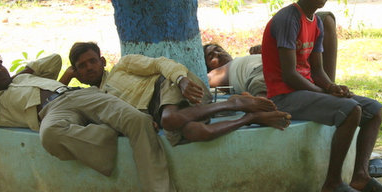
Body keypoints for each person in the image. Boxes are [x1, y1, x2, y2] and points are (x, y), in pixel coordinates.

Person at [0, 53, 195, 192]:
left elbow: (53, 60)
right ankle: (107, 132)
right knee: (50, 134)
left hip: (79, 95)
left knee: (138, 120)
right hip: (51, 112)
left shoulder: (21, 79)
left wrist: (21, 74)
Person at [261, 0, 382, 192]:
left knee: (374, 110)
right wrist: (323, 93)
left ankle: (361, 176)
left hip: (306, 91)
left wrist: (332, 87)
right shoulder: (288, 18)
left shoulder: (317, 23)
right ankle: (332, 184)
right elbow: (290, 74)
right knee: (351, 110)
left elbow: (318, 70)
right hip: (284, 96)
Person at [61, 42, 290, 146]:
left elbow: (160, 64)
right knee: (196, 132)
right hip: (158, 114)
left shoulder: (123, 65)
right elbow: (56, 97)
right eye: (82, 66)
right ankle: (248, 117)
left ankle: (237, 104)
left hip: (167, 88)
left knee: (170, 119)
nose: (89, 67)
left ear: (102, 61)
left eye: (93, 61)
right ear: (77, 74)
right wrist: (66, 77)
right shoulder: (94, 101)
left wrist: (180, 81)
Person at [204, 11, 339, 97]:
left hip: (298, 70)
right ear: (209, 67)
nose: (218, 54)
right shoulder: (219, 73)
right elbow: (202, 81)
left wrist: (268, 49)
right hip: (263, 77)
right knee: (264, 92)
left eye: (219, 49)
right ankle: (325, 93)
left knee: (325, 18)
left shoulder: (245, 58)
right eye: (211, 56)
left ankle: (329, 86)